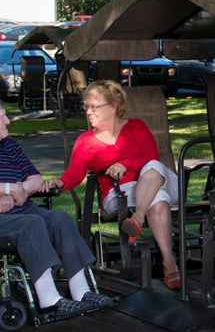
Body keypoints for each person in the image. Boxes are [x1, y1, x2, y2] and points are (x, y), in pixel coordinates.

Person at [0, 95, 112, 317]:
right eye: (2, 117)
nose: (8, 122)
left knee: (59, 218)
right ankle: (50, 300)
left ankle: (81, 291)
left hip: (21, 209)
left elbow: (35, 180)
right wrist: (9, 188)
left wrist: (11, 196)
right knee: (32, 223)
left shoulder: (9, 145)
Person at [49, 80, 182, 288]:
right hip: (118, 193)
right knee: (156, 197)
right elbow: (75, 172)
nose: (89, 112)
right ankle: (169, 261)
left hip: (159, 180)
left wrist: (124, 164)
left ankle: (137, 217)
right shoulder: (85, 141)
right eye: (87, 107)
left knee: (153, 166)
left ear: (114, 107)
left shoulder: (136, 126)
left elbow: (150, 157)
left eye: (95, 107)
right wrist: (61, 181)